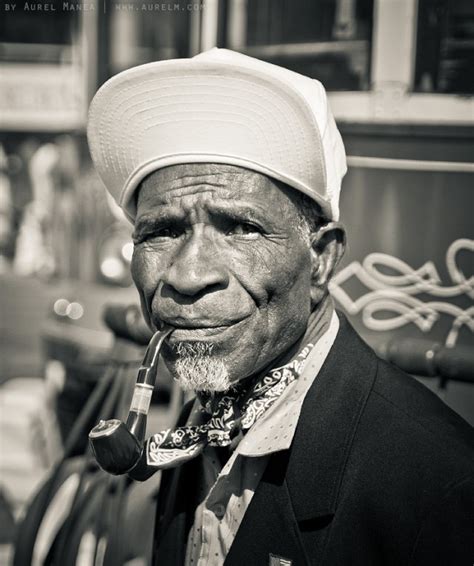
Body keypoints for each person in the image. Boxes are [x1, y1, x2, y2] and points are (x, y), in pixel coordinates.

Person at [87, 49, 474, 566]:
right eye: (160, 231)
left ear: (320, 259)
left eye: (241, 228)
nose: (187, 274)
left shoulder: (440, 485)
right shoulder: (202, 421)